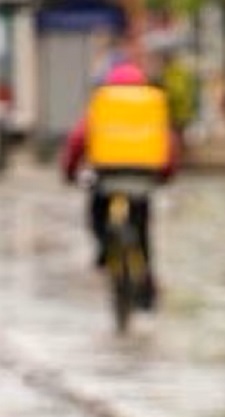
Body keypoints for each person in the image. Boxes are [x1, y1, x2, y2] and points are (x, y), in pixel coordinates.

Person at [60, 60, 179, 308]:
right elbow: (167, 142)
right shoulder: (151, 103)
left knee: (96, 214)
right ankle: (146, 287)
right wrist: (165, 174)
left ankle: (105, 251)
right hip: (144, 177)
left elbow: (78, 139)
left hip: (107, 176)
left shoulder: (104, 102)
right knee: (142, 229)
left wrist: (69, 171)